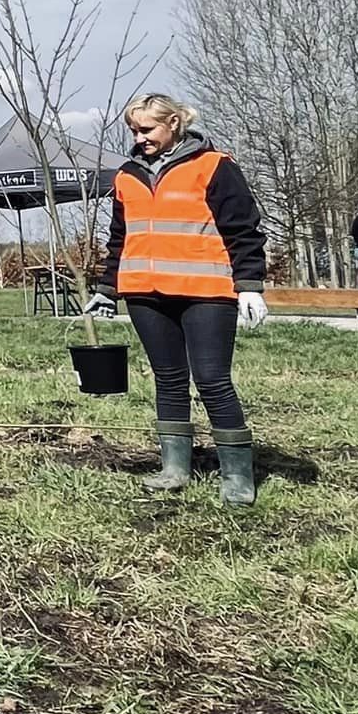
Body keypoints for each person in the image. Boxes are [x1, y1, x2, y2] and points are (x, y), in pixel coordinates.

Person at [85, 94, 267, 506]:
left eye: (146, 129)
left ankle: (237, 475)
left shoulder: (215, 165)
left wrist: (250, 284)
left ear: (173, 124)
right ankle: (174, 468)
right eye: (134, 130)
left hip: (205, 291)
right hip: (144, 293)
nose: (139, 137)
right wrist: (106, 289)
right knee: (168, 379)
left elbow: (244, 229)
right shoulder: (126, 176)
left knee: (211, 379)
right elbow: (120, 238)